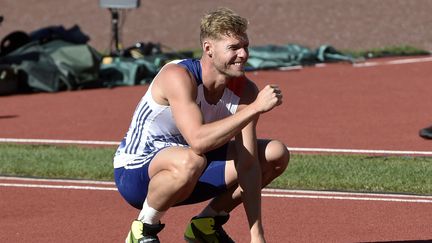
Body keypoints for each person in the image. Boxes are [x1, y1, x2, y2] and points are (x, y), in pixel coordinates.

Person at [113, 7, 290, 243]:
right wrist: (255, 108)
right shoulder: (178, 76)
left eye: (245, 46)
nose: (243, 54)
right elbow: (198, 141)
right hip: (137, 173)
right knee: (192, 159)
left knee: (274, 154)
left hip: (192, 168)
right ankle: (143, 229)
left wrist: (256, 235)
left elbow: (247, 164)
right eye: (234, 48)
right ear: (208, 49)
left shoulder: (245, 91)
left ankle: (205, 225)